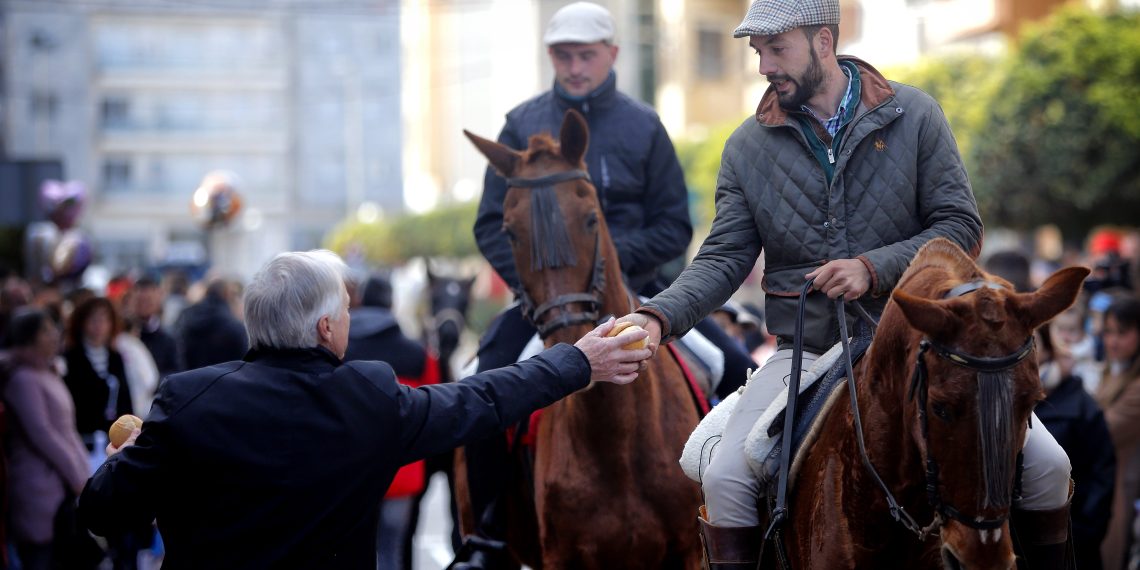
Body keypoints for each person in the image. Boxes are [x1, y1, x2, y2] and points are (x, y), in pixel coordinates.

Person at [615, 0, 1072, 567]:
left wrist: (871, 268)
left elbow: (959, 225)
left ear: (824, 42)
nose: (764, 66)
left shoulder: (916, 114)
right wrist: (656, 317)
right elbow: (724, 259)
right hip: (806, 350)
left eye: (776, 49)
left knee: (1050, 468)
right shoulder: (744, 147)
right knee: (727, 476)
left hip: (922, 345)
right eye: (758, 51)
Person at [77, 250, 650, 569]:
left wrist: (127, 458)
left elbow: (100, 509)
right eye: (346, 313)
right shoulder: (367, 397)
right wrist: (580, 361)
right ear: (326, 327)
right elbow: (483, 398)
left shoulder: (185, 400)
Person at [461, 4, 757, 563]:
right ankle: (489, 534)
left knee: (738, 370)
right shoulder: (520, 124)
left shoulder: (643, 125)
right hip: (545, 302)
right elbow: (489, 225)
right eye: (564, 56)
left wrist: (609, 266)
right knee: (483, 383)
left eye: (586, 55)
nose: (575, 67)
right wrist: (539, 287)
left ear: (612, 54)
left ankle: (751, 525)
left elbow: (673, 225)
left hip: (644, 294)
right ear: (551, 57)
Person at [343, 273, 441, 570]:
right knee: (391, 552)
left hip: (351, 473)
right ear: (392, 304)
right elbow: (434, 407)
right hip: (403, 472)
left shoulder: (339, 349)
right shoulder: (418, 353)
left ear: (359, 301)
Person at [2, 309, 100, 570]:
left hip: (61, 483)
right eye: (46, 330)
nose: (55, 334)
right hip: (37, 486)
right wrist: (79, 478)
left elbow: (66, 429)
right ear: (30, 337)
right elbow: (42, 433)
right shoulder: (22, 379)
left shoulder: (47, 372)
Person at [1035, 325, 1115, 570]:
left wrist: (1081, 533)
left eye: (1031, 343)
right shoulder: (1007, 402)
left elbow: (1102, 475)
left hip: (1071, 541)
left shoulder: (1082, 407)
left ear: (1048, 348)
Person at [1094, 297, 1140, 570]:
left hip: (1122, 489)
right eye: (1108, 332)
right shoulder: (1112, 370)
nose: (1112, 341)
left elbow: (1103, 431)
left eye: (1121, 333)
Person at [173, 278, 248, 369]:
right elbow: (243, 361)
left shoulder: (185, 316)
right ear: (226, 295)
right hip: (224, 376)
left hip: (191, 375)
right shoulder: (234, 325)